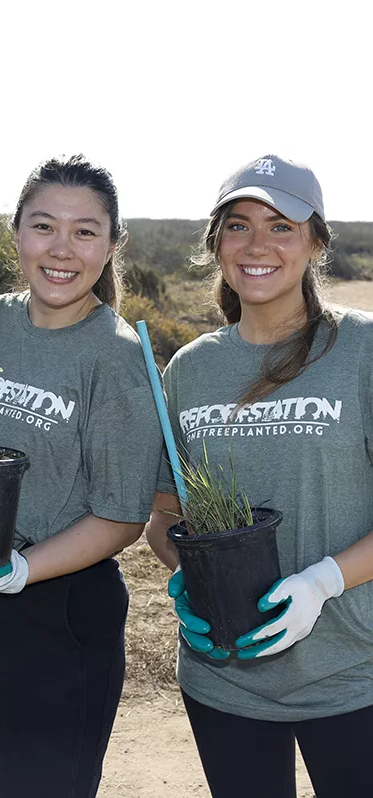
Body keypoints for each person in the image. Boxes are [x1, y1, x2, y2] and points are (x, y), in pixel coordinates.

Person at [0, 154, 164, 798]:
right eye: (44, 226)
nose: (62, 249)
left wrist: (19, 571)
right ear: (16, 232)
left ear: (111, 245)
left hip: (59, 614)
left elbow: (122, 515)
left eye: (85, 231)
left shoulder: (119, 356)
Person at [146, 155, 373, 797]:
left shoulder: (361, 349)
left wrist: (321, 582)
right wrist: (184, 570)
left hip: (352, 674)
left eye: (281, 226)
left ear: (316, 242)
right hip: (225, 678)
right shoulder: (190, 369)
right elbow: (165, 516)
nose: (257, 245)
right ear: (217, 243)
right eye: (238, 225)